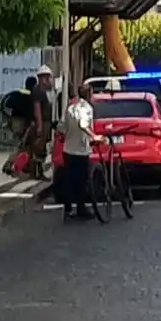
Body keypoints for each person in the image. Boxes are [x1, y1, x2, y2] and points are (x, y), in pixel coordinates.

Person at [60, 81, 95, 219]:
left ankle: (68, 209)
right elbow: (84, 124)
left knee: (70, 180)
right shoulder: (87, 109)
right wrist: (94, 136)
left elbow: (62, 127)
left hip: (68, 149)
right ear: (88, 94)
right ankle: (81, 209)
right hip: (81, 150)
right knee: (81, 181)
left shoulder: (70, 108)